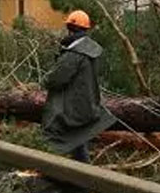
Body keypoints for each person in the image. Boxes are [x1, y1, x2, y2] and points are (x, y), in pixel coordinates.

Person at [41, 10, 116, 163]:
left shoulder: (74, 54)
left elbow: (55, 79)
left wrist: (44, 79)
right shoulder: (92, 51)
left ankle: (52, 171)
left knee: (52, 141)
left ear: (70, 28)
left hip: (71, 110)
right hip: (87, 107)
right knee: (79, 143)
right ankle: (83, 174)